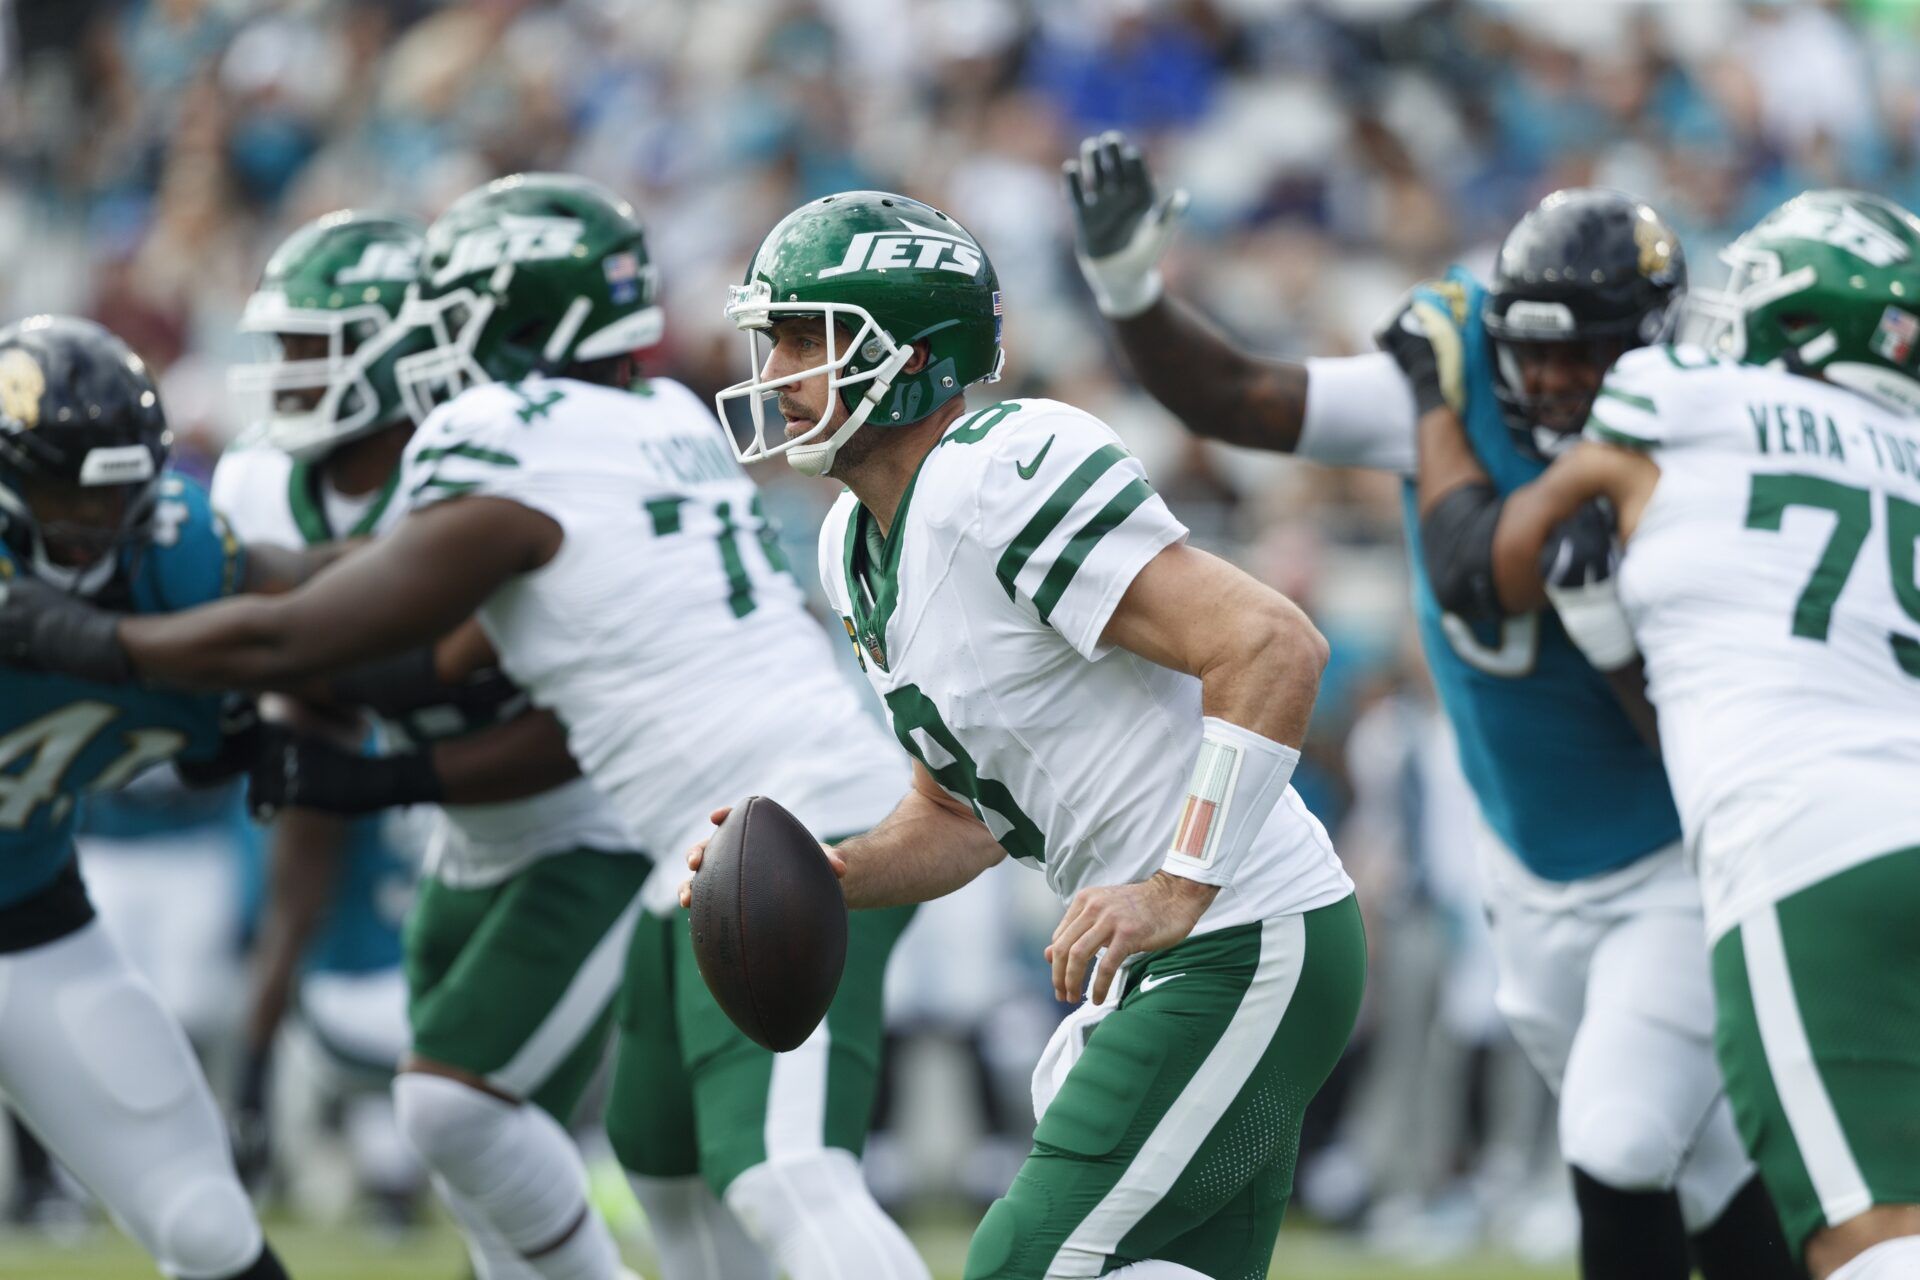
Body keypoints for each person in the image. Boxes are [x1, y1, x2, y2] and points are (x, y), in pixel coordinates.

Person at [0, 173, 932, 1280]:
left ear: (521, 321)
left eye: (452, 315)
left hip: (767, 816)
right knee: (661, 1161)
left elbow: (312, 635)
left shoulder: (503, 437)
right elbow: (415, 641)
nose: (431, 348)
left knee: (776, 1170)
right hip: (696, 833)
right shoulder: (665, 412)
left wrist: (84, 640)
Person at [1063, 131, 1798, 1279]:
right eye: (1535, 355)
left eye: (1589, 356)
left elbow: (1512, 590)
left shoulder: (1688, 436)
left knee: (1618, 1136)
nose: (1554, 384)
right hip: (1524, 868)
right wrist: (1131, 291)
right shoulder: (1449, 391)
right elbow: (1233, 393)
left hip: (1671, 856)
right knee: (1695, 1161)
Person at [687, 188, 1365, 1280]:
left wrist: (1175, 884)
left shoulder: (997, 471)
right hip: (1172, 953)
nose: (777, 372)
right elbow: (958, 815)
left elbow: (1273, 643)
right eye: (775, 338)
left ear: (911, 355)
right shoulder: (851, 541)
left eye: (812, 336)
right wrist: (831, 871)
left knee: (1018, 1262)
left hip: (1242, 929)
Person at [1472, 188, 1920, 1280]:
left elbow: (1490, 567)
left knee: (1868, 1234)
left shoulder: (1679, 398)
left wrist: (1592, 610)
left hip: (1811, 850)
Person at [218, 207, 647, 1280]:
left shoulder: (492, 460)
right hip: (465, 844)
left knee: (466, 1116)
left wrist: (375, 771)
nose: (285, 372)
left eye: (312, 345)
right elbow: (308, 754)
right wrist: (258, 1027)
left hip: (603, 825)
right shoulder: (262, 485)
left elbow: (570, 726)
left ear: (400, 345)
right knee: (473, 1170)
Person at [0, 315, 290, 1280]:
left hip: (30, 916)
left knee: (207, 1225)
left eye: (116, 495)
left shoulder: (178, 555)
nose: (87, 525)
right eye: (56, 494)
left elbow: (294, 636)